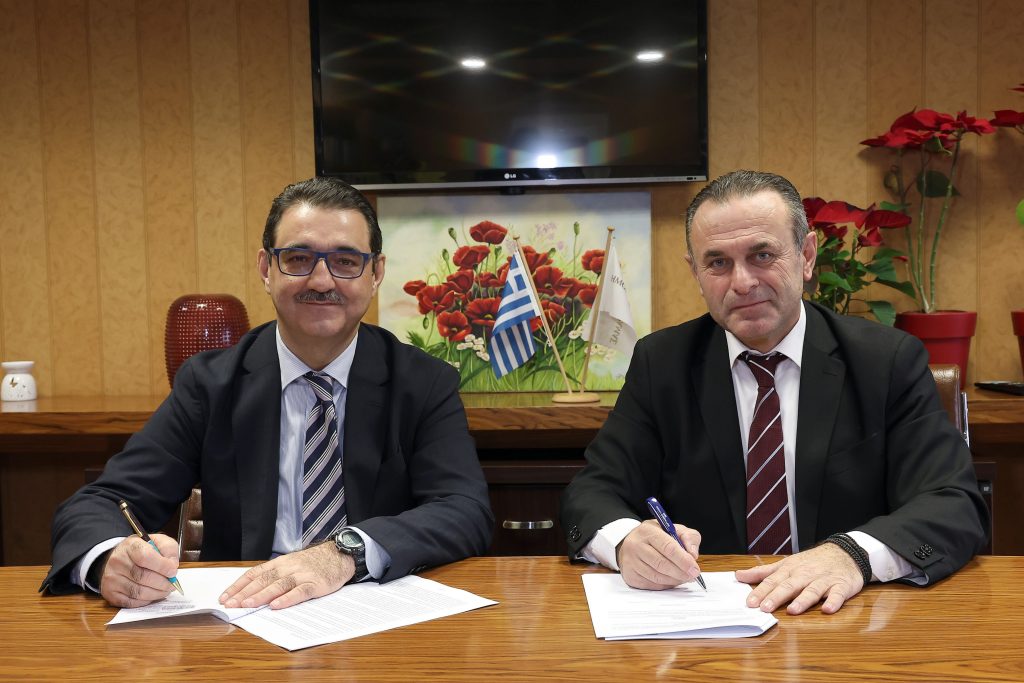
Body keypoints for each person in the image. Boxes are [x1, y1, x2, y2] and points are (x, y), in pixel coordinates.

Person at [42, 176, 493, 609]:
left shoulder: (422, 382)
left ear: (375, 273)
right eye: (298, 258)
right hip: (245, 614)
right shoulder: (210, 384)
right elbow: (100, 503)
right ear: (266, 269)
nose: (321, 281)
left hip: (375, 611)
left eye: (345, 261)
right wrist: (109, 560)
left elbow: (464, 510)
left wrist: (343, 553)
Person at [560, 170, 988, 615]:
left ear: (806, 256)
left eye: (762, 255)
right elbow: (593, 492)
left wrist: (852, 556)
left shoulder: (885, 361)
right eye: (718, 263)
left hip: (847, 615)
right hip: (708, 618)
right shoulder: (662, 363)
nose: (742, 282)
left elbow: (953, 504)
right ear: (696, 273)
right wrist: (626, 541)